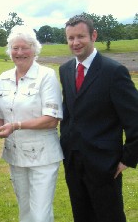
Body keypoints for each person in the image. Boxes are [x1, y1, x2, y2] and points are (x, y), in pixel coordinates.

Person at [59, 15, 138, 222]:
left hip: (105, 163)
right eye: (70, 38)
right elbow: (69, 112)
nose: (75, 43)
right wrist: (66, 144)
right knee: (81, 215)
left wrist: (127, 159)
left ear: (93, 35)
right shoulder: (65, 70)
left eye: (80, 36)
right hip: (73, 161)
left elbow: (134, 118)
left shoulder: (114, 72)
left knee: (108, 216)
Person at [0, 25, 64, 222]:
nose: (20, 52)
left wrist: (15, 126)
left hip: (43, 157)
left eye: (25, 47)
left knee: (40, 215)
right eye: (15, 48)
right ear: (9, 50)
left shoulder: (46, 76)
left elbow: (51, 119)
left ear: (35, 49)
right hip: (15, 155)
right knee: (25, 212)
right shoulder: (3, 78)